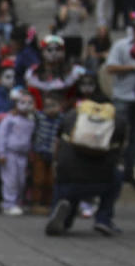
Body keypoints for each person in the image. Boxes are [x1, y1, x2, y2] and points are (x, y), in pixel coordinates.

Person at [45, 101, 127, 236]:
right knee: (117, 174)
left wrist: (56, 164)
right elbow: (121, 151)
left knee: (65, 181)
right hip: (102, 180)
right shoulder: (117, 120)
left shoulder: (70, 116)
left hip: (68, 178)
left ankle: (62, 216)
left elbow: (57, 144)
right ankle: (103, 219)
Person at [104, 16, 135, 189]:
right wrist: (133, 68)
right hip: (123, 96)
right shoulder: (122, 46)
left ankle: (128, 173)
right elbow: (110, 68)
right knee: (117, 136)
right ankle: (110, 172)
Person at [0, 88, 36, 216]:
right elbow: (1, 135)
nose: (26, 106)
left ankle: (17, 202)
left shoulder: (31, 120)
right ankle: (8, 203)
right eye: (22, 103)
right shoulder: (10, 119)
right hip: (10, 153)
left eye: (29, 103)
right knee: (10, 180)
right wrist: (1, 153)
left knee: (21, 180)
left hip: (23, 155)